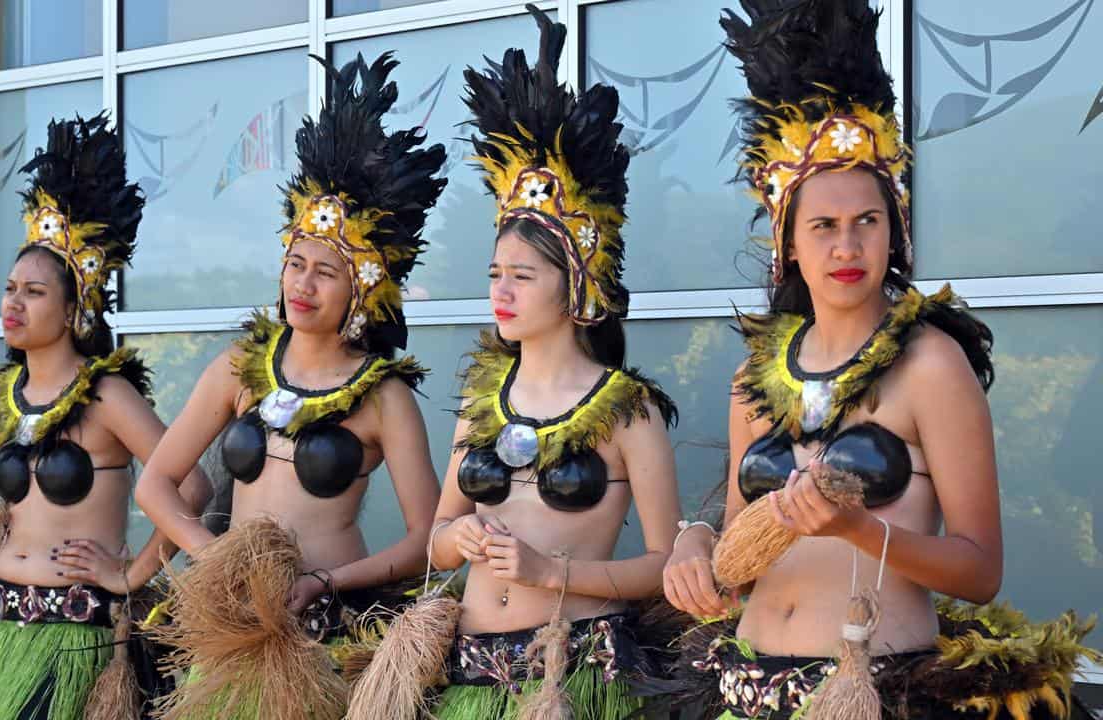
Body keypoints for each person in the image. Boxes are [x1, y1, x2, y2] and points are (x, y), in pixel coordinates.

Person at [661, 2, 1099, 718]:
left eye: (868, 222)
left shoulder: (932, 366)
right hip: (743, 685)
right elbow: (743, 542)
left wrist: (859, 529)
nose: (846, 247)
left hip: (874, 688)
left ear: (894, 231)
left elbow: (980, 570)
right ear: (789, 245)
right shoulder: (753, 380)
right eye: (824, 227)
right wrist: (695, 543)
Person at [134, 52, 448, 720]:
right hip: (237, 623)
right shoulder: (239, 368)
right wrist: (217, 558)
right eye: (295, 263)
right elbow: (156, 484)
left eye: (325, 273)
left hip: (331, 629)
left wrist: (322, 581)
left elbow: (426, 538)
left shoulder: (383, 396)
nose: (302, 285)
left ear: (363, 287)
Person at [390, 7, 681, 718]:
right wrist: (454, 537)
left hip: (573, 676)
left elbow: (667, 568)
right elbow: (434, 538)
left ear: (577, 286)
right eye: (495, 273)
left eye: (524, 275)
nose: (503, 291)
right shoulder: (483, 397)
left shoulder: (626, 408)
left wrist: (553, 572)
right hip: (471, 679)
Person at [0, 112, 211, 720]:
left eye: (34, 292)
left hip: (76, 641)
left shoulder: (107, 396)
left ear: (77, 307)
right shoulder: (3, 394)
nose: (13, 303)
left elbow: (194, 485)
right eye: (9, 287)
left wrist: (131, 572)